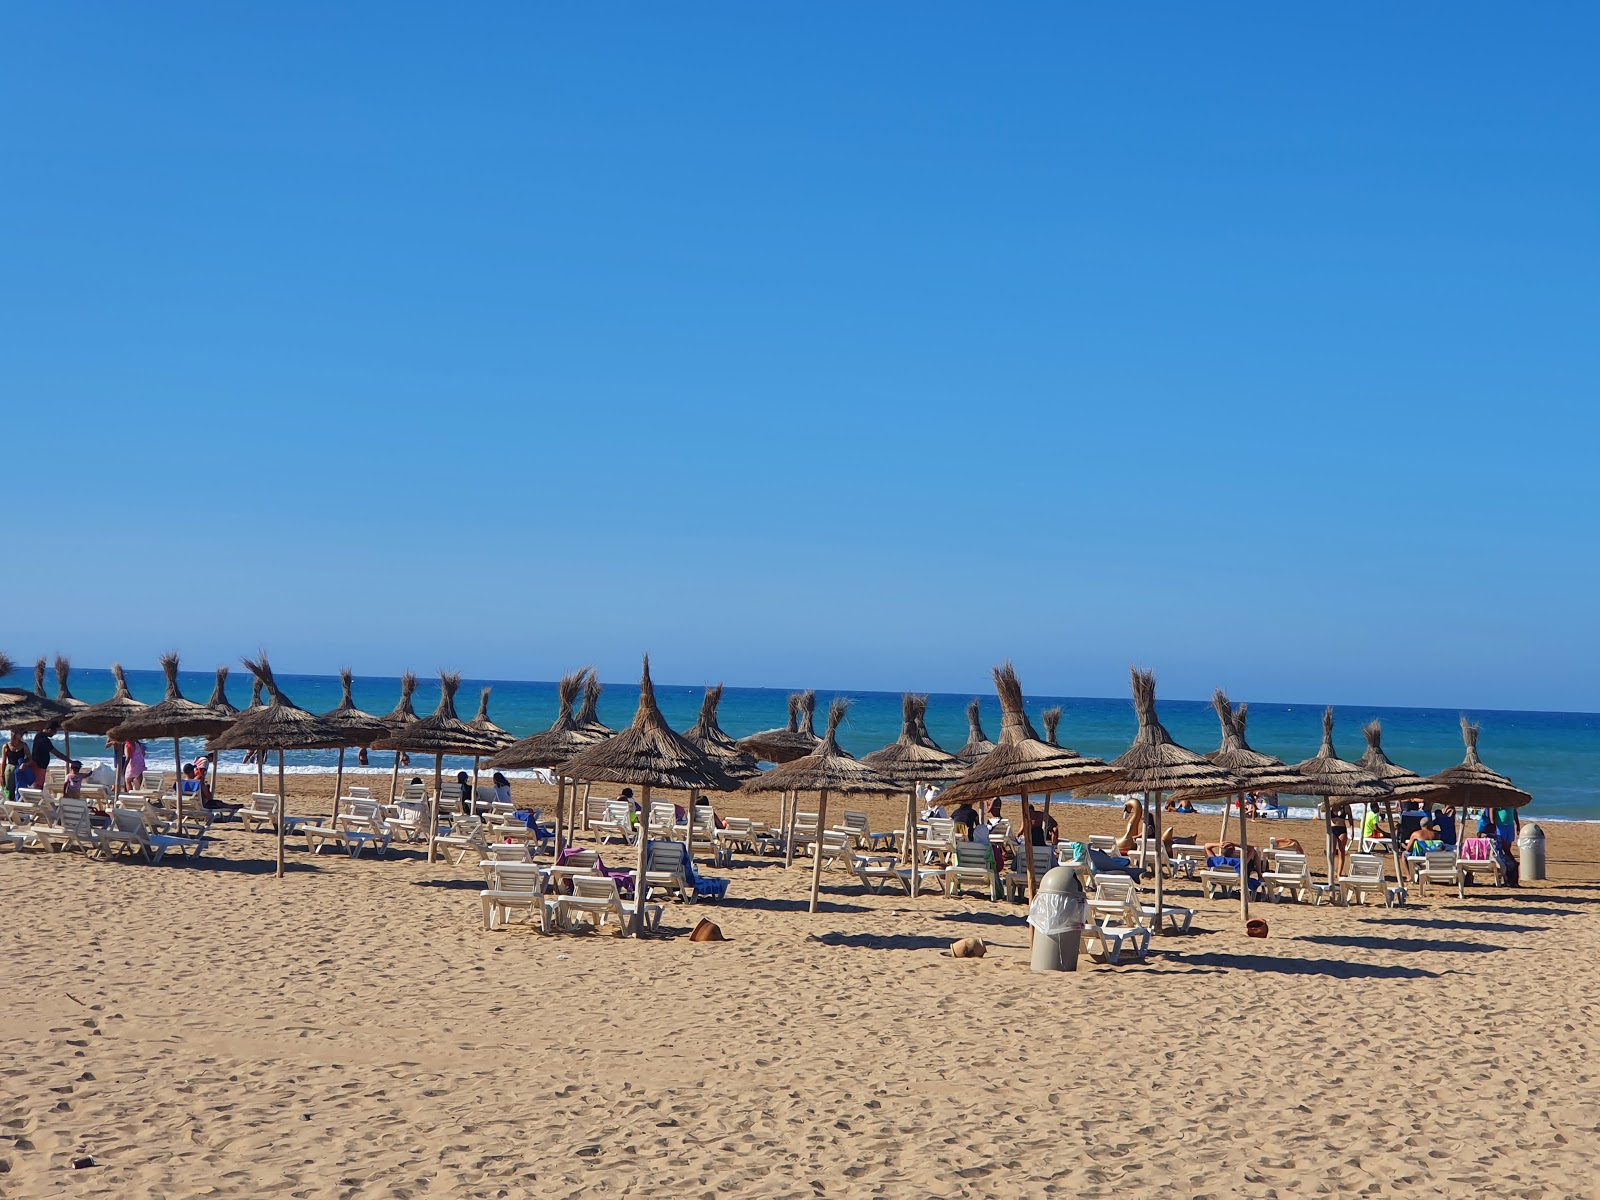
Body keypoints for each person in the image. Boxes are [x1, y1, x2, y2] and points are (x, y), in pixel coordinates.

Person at [1327, 799, 1352, 878]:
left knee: (1342, 851)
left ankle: (1339, 873)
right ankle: (1331, 870)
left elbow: (1351, 819)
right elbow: (1325, 814)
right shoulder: (1331, 806)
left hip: (1342, 829)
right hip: (1333, 829)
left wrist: (1352, 831)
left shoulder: (1346, 806)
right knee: (1332, 851)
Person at [2, 729, 28, 798]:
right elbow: (3, 762)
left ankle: (19, 805)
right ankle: (11, 805)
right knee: (9, 790)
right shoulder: (6, 746)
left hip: (19, 769)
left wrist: (24, 764)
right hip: (9, 770)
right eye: (20, 733)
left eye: (22, 734)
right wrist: (1, 775)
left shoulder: (24, 745)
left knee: (21, 790)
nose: (22, 735)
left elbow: (30, 758)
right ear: (14, 734)